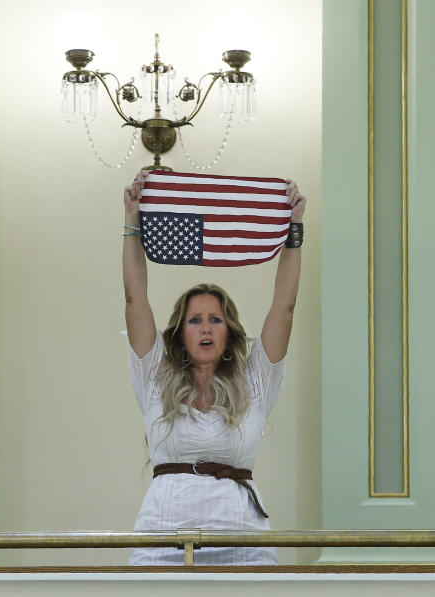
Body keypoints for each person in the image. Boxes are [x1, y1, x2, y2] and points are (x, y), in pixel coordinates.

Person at [121, 170, 306, 565]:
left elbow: (284, 308)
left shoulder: (254, 383)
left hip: (242, 542)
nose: (205, 327)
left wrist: (294, 229)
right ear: (180, 333)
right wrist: (132, 222)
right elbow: (135, 299)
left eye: (215, 319)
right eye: (195, 320)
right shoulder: (154, 378)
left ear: (229, 333)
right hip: (162, 543)